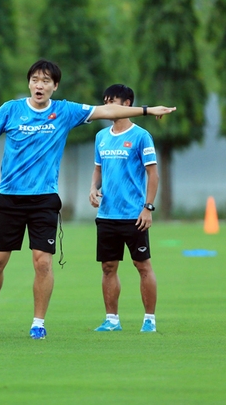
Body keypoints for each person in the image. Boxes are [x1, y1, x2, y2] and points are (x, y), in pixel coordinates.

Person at [0, 60, 174, 340]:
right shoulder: (10, 110)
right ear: (29, 83)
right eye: (36, 79)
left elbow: (107, 110)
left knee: (43, 263)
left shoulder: (64, 111)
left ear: (55, 86)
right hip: (10, 198)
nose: (40, 85)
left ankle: (38, 324)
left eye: (46, 81)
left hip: (44, 200)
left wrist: (147, 111)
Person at [89, 84, 158, 333]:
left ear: (127, 103)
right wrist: (92, 188)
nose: (107, 106)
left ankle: (149, 320)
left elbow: (153, 175)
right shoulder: (101, 137)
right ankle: (112, 320)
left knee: (142, 265)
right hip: (107, 215)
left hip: (134, 215)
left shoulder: (141, 136)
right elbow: (98, 169)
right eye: (105, 101)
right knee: (108, 267)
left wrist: (147, 207)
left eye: (112, 101)